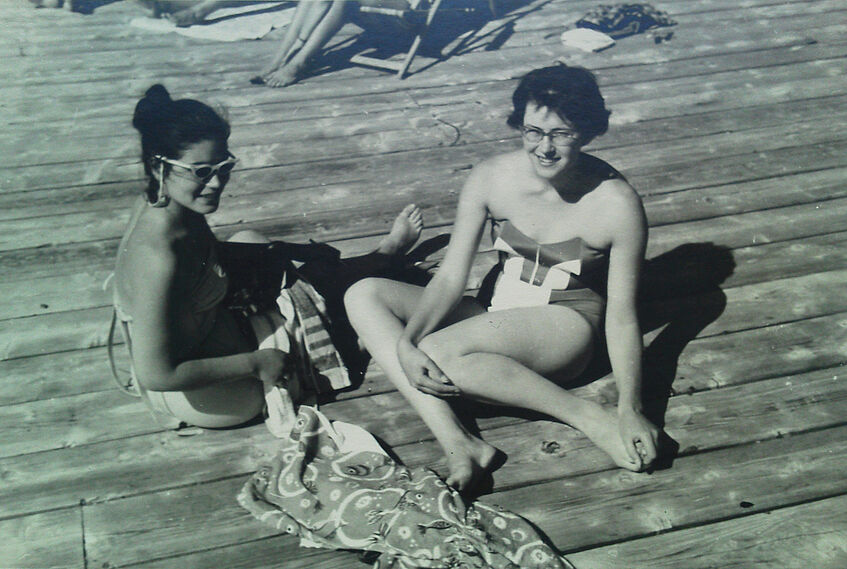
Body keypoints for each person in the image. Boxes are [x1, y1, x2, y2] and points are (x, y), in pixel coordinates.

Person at [343, 64, 661, 493]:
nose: (544, 148)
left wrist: (630, 408)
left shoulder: (616, 204)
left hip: (564, 323)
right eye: (533, 132)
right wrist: (405, 340)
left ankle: (585, 416)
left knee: (436, 351)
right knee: (364, 294)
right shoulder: (491, 177)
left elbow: (623, 317)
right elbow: (452, 275)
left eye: (561, 134)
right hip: (492, 312)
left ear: (586, 132)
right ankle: (459, 442)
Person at [114, 83, 423, 428]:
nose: (216, 183)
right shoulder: (158, 256)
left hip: (207, 331)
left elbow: (204, 256)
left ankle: (377, 264)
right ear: (160, 166)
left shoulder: (167, 204)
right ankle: (378, 275)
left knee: (261, 248)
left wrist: (288, 251)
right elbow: (157, 374)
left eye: (223, 167)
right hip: (201, 391)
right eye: (201, 172)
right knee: (319, 310)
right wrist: (256, 363)